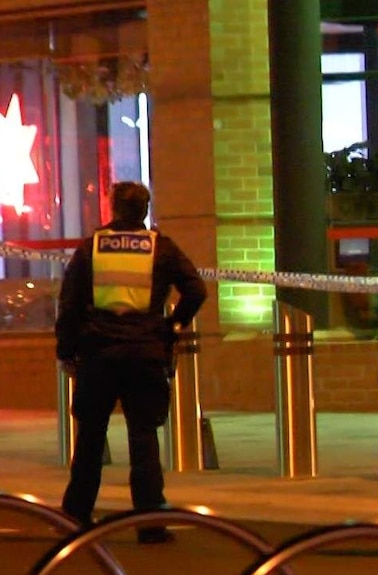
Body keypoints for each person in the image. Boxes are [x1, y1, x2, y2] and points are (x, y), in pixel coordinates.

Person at [55, 181, 207, 544]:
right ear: (144, 209)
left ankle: (75, 517)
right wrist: (172, 326)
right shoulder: (161, 247)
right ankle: (150, 521)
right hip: (145, 353)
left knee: (90, 438)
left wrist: (66, 350)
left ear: (113, 208)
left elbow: (70, 304)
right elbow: (196, 290)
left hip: (99, 354)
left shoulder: (92, 247)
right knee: (144, 437)